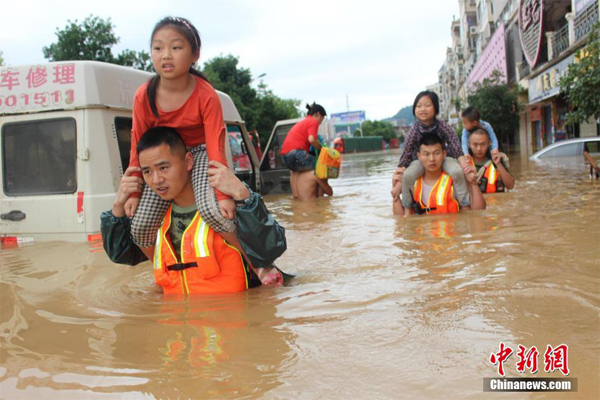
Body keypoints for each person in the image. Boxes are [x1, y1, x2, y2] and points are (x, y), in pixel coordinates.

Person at [123, 17, 248, 278]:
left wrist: (224, 195)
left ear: (195, 54)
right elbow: (138, 144)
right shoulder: (143, 96)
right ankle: (165, 274)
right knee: (140, 225)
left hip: (201, 152)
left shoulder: (206, 94)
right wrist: (134, 191)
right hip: (164, 161)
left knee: (215, 212)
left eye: (176, 47)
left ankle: (253, 265)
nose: (166, 55)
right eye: (158, 48)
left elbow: (216, 144)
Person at [101, 127, 288, 293]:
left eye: (164, 168)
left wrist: (242, 192)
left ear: (189, 162)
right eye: (147, 171)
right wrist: (118, 205)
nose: (156, 180)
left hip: (237, 325)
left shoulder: (225, 209)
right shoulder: (154, 223)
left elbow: (270, 247)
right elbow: (121, 255)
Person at [391, 91, 474, 216]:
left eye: (427, 105)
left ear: (435, 108)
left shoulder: (442, 126)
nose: (422, 109)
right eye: (418, 106)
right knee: (408, 176)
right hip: (419, 161)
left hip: (444, 157)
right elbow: (406, 155)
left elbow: (455, 146)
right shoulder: (413, 130)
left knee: (457, 172)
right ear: (414, 110)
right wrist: (398, 180)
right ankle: (407, 210)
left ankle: (465, 205)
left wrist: (466, 167)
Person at [393, 133, 485, 216]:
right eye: (426, 154)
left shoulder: (455, 178)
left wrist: (473, 183)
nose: (432, 159)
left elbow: (478, 213)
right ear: (419, 156)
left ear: (444, 154)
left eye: (436, 153)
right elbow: (401, 220)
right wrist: (395, 194)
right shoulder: (413, 182)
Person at [281, 103, 333, 200]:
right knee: (321, 168)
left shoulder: (302, 122)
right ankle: (320, 198)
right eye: (321, 119)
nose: (320, 123)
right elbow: (312, 140)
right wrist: (322, 149)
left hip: (285, 157)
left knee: (295, 171)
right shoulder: (313, 122)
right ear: (317, 114)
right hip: (297, 153)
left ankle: (295, 195)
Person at [468, 128, 515, 192]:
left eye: (483, 144)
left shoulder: (497, 159)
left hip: (496, 200)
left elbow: (510, 185)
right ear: (469, 144)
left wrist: (498, 164)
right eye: (475, 145)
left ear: (489, 143)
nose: (479, 148)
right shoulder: (465, 162)